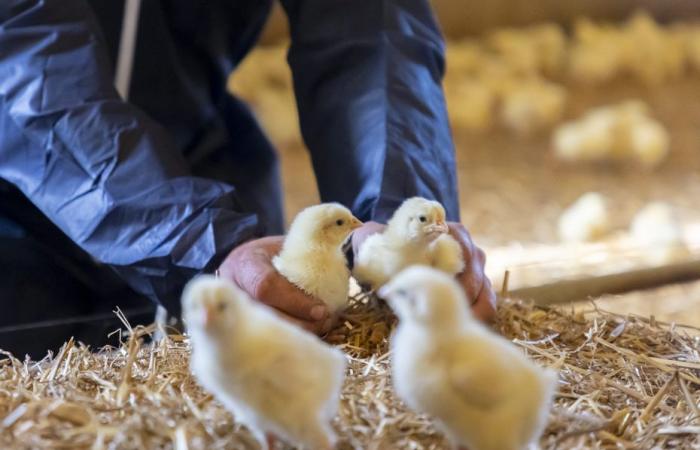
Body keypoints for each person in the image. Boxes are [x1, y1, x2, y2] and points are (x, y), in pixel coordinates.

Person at [0, 0, 496, 357]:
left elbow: (372, 28)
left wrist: (397, 223)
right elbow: (29, 65)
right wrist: (202, 243)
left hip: (201, 171)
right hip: (19, 208)